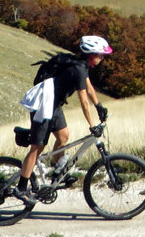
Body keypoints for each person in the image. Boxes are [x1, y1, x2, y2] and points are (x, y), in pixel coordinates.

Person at [15, 35, 112, 205]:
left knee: (63, 137)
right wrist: (92, 125)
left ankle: (56, 172)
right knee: (37, 147)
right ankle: (21, 188)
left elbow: (88, 87)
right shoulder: (78, 68)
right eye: (100, 55)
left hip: (54, 105)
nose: (102, 58)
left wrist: (99, 106)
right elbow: (83, 101)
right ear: (91, 54)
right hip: (43, 105)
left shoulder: (81, 65)